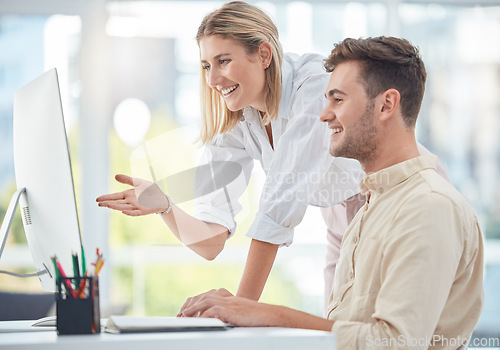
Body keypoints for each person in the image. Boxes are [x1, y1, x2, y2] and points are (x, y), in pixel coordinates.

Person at [177, 36, 484, 350]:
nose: (322, 116)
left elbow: (395, 342)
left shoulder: (428, 209)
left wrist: (258, 311)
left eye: (337, 100)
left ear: (386, 105)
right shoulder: (366, 213)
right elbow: (350, 332)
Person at [97, 0, 364, 305]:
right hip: (339, 219)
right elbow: (211, 242)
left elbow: (281, 201)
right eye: (207, 66)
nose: (212, 80)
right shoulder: (239, 120)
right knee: (340, 331)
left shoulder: (314, 86)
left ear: (263, 54)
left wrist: (241, 306)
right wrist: (165, 205)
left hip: (389, 200)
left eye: (223, 61)